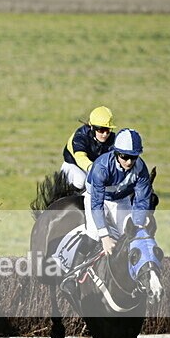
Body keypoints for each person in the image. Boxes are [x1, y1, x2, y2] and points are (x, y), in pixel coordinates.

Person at [60, 128, 153, 299]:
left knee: (131, 237)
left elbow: (141, 200)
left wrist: (138, 225)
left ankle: (139, 278)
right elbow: (96, 204)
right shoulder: (102, 167)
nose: (129, 161)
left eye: (133, 157)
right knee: (93, 234)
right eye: (124, 156)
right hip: (96, 198)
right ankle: (71, 276)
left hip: (121, 200)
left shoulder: (141, 168)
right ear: (116, 153)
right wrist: (104, 236)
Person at [60, 106, 116, 190]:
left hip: (94, 169)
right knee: (81, 180)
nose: (105, 134)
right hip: (73, 165)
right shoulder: (80, 136)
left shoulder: (112, 139)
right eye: (101, 130)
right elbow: (80, 158)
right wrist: (93, 168)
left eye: (108, 130)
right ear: (92, 127)